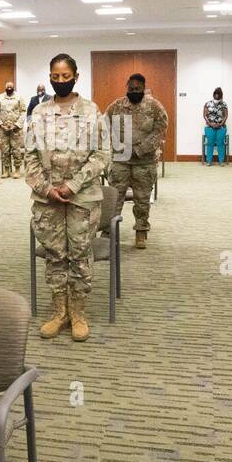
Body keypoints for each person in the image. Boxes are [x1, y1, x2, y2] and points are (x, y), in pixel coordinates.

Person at [23, 54, 112, 341]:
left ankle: (78, 313)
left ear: (76, 76)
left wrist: (72, 185)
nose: (60, 81)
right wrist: (46, 189)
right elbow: (30, 157)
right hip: (47, 199)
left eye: (65, 76)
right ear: (49, 76)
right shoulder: (38, 113)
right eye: (55, 76)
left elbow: (102, 155)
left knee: (79, 254)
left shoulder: (91, 111)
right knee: (55, 255)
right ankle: (59, 311)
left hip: (81, 198)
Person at [105, 73, 169, 249]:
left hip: (144, 162)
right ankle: (109, 231)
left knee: (142, 199)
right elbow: (104, 125)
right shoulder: (116, 106)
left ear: (143, 88)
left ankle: (140, 231)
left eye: (138, 89)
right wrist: (116, 143)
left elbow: (161, 129)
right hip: (121, 161)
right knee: (114, 198)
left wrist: (142, 149)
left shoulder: (154, 106)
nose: (134, 91)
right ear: (127, 87)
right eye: (131, 89)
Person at [0, 80, 27, 178]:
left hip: (15, 129)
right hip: (3, 129)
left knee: (16, 149)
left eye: (10, 87)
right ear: (5, 88)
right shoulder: (0, 98)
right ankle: (6, 170)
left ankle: (17, 170)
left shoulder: (19, 98)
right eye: (7, 87)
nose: (9, 89)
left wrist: (16, 125)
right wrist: (0, 125)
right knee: (5, 149)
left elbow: (23, 112)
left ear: (13, 87)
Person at [203, 88, 228, 164]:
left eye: (219, 94)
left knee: (220, 143)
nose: (217, 95)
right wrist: (210, 124)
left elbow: (225, 116)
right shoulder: (207, 104)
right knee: (210, 143)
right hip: (210, 127)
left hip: (221, 127)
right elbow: (205, 115)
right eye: (216, 94)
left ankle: (221, 161)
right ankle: (209, 161)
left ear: (221, 95)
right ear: (213, 94)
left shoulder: (224, 104)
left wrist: (221, 124)